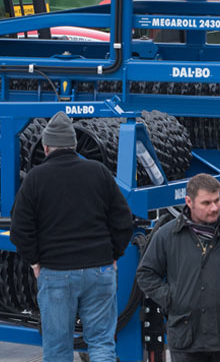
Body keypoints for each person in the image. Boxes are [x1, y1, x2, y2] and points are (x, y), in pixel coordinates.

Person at [10, 111, 133, 362]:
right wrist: (113, 255)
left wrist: (35, 262)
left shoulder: (35, 179)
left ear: (45, 147)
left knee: (57, 350)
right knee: (101, 344)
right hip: (99, 270)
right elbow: (123, 221)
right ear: (74, 145)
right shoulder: (98, 172)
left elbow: (19, 229)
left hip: (55, 273)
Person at [136, 173, 220, 361]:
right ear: (188, 202)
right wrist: (172, 298)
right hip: (187, 340)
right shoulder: (167, 236)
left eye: (217, 201)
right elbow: (146, 273)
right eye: (206, 203)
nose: (214, 208)